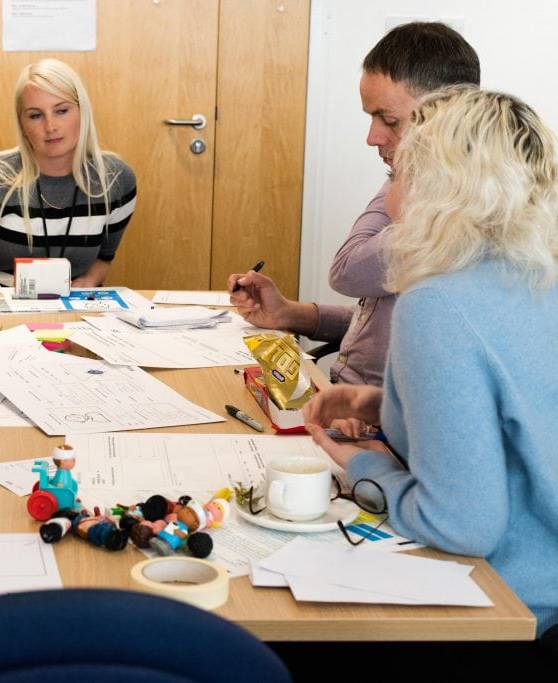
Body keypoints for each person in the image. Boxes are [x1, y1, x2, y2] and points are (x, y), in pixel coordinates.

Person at [303, 88, 558, 639]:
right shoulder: (539, 275)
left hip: (506, 609)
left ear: (432, 189)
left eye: (394, 175)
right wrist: (386, 406)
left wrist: (364, 467)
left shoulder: (438, 302)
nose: (387, 195)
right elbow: (523, 428)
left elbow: (462, 526)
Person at [228, 22, 480, 387]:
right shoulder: (419, 187)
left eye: (389, 120)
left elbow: (347, 271)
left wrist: (398, 178)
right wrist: (289, 314)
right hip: (348, 398)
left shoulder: (460, 214)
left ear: (448, 117)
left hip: (377, 415)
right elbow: (380, 320)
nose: (372, 137)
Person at [0, 58, 136, 287]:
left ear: (83, 112)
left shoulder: (115, 180)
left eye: (61, 110)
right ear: (22, 124)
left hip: (72, 305)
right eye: (35, 115)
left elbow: (104, 258)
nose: (50, 126)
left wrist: (86, 282)